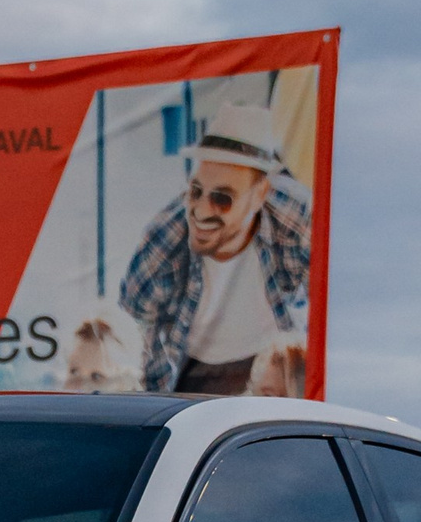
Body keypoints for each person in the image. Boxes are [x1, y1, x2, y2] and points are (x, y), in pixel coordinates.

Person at [118, 100, 313, 395]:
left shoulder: (298, 219)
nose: (201, 210)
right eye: (196, 191)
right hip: (193, 371)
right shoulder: (166, 235)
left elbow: (329, 300)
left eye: (222, 198)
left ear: (260, 194)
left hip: (269, 372)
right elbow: (137, 316)